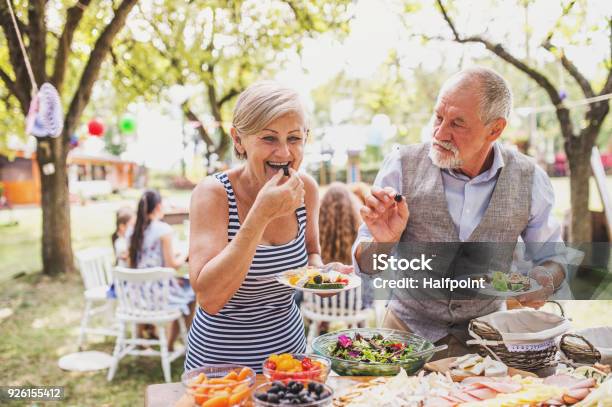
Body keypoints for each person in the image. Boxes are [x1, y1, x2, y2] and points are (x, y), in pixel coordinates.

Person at [353, 66, 566, 359]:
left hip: (488, 340)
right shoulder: (401, 165)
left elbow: (554, 258)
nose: (440, 133)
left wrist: (544, 281)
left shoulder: (530, 178)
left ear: (495, 129)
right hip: (404, 336)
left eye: (457, 123)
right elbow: (366, 264)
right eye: (438, 117)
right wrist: (384, 242)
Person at [187, 81, 334, 373]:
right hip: (221, 365)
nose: (283, 153)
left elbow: (312, 254)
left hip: (288, 359)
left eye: (294, 138)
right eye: (269, 138)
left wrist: (321, 277)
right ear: (239, 140)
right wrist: (260, 215)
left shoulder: (306, 189)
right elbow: (209, 298)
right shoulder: (213, 194)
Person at [128, 189, 194, 351]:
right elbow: (172, 264)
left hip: (134, 294)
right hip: (157, 295)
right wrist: (186, 252)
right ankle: (171, 344)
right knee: (192, 292)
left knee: (179, 284)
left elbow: (132, 262)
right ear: (158, 207)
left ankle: (140, 337)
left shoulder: (132, 230)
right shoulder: (163, 230)